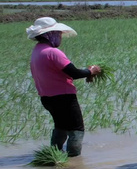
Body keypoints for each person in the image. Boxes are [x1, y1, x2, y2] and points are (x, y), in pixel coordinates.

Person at [26, 16, 101, 157]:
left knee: (60, 126)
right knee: (76, 129)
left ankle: (55, 155)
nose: (60, 36)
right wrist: (91, 71)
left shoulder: (37, 51)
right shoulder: (53, 53)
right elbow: (73, 73)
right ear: (50, 34)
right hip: (64, 97)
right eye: (58, 34)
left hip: (47, 98)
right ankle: (74, 159)